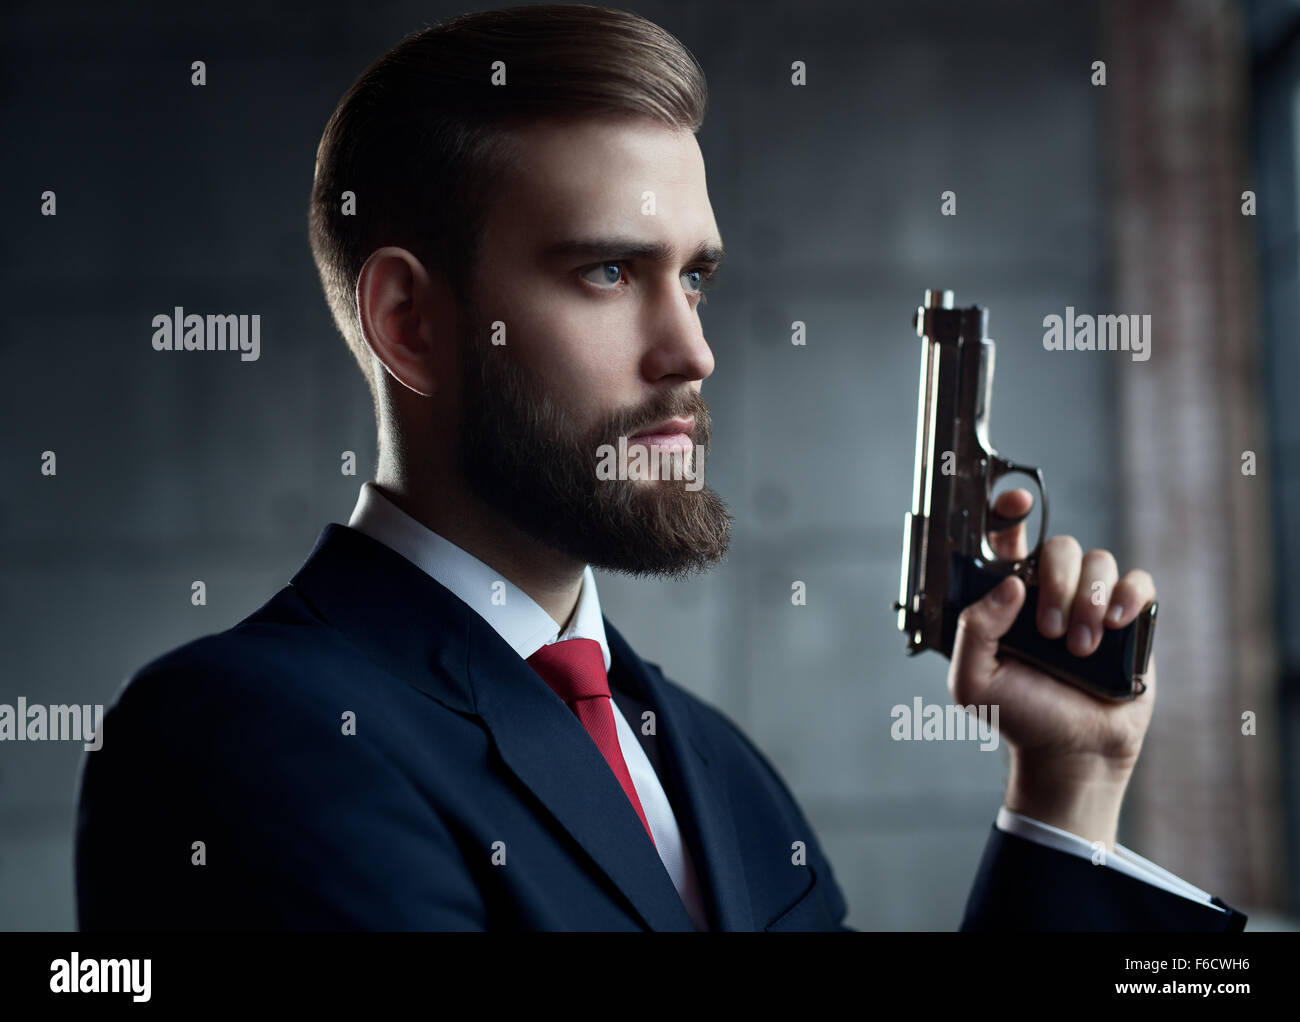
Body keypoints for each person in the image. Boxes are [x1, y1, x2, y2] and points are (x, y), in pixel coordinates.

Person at [75, 4, 1246, 931]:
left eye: (694, 276)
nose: (692, 348)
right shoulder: (241, 739)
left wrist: (1066, 789)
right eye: (604, 272)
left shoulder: (720, 770)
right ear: (411, 323)